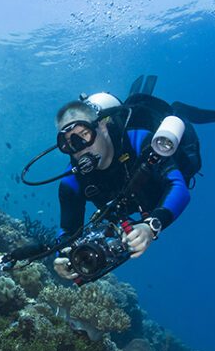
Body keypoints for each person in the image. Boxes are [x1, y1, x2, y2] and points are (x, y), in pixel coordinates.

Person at [52, 93, 191, 281]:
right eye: (69, 143)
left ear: (102, 126)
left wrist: (151, 226)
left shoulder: (139, 141)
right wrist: (62, 256)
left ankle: (178, 111)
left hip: (155, 193)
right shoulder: (72, 181)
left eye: (84, 134)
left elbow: (178, 186)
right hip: (130, 202)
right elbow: (68, 231)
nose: (80, 148)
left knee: (178, 122)